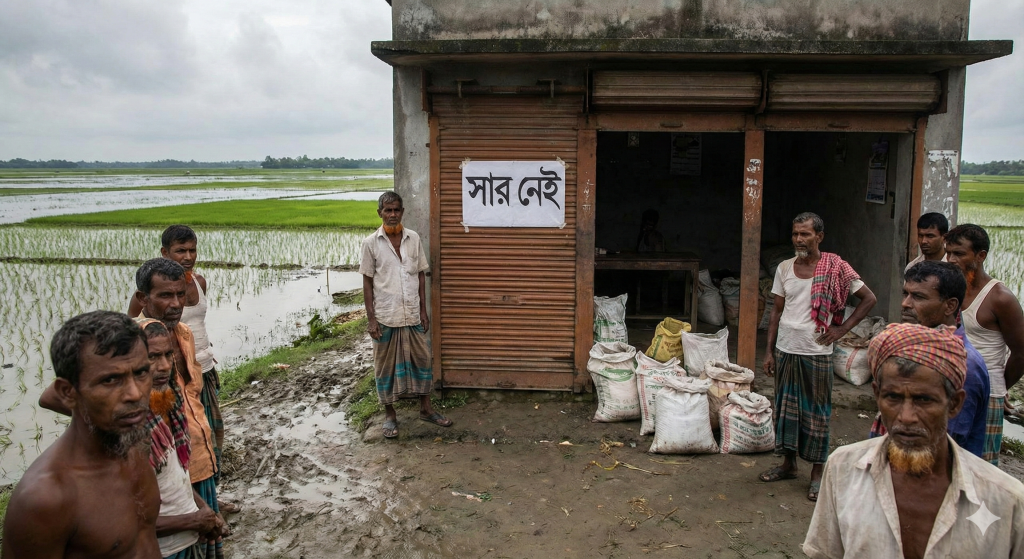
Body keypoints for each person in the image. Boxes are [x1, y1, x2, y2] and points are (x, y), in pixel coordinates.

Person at [803, 323, 1024, 559]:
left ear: (955, 404)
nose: (906, 417)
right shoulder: (842, 469)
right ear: (877, 395)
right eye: (893, 397)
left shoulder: (1007, 501)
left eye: (924, 400)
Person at [38, 318, 226, 558]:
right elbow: (128, 523)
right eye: (152, 358)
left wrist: (202, 510)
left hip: (182, 541)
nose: (164, 366)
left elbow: (175, 474)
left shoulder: (161, 414)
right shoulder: (122, 439)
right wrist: (194, 520)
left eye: (168, 355)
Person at [2, 311, 162, 558]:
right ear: (67, 392)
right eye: (110, 380)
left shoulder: (135, 449)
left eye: (141, 373)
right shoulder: (45, 499)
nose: (135, 393)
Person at [760, 212, 877, 501]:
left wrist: (841, 330)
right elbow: (775, 311)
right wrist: (769, 350)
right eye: (795, 233)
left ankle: (816, 472)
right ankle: (788, 464)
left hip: (816, 352)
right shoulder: (785, 268)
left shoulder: (836, 267)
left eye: (805, 234)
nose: (799, 239)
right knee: (785, 409)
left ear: (819, 237)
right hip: (787, 349)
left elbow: (869, 299)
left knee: (816, 412)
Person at [128, 225, 234, 513]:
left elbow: (196, 327)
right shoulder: (150, 295)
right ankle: (185, 502)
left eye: (192, 250)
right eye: (180, 251)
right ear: (165, 252)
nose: (188, 257)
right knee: (173, 440)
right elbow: (131, 328)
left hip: (199, 367)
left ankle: (208, 490)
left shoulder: (198, 283)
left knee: (208, 431)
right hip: (166, 376)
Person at [135, 257, 225, 558]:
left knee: (204, 538)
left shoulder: (185, 334)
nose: (175, 303)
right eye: (164, 296)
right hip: (160, 474)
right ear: (142, 299)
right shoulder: (133, 342)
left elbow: (191, 398)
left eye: (179, 295)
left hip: (195, 458)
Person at [869, 261, 990, 457]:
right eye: (905, 293)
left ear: (950, 305)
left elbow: (944, 443)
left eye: (918, 297)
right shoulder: (910, 348)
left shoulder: (961, 364)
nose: (905, 304)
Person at [360, 191, 451, 439]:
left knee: (422, 361)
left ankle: (426, 408)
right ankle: (390, 415)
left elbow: (420, 274)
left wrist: (423, 310)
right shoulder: (370, 243)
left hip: (411, 313)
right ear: (379, 213)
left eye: (396, 210)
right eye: (387, 210)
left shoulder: (413, 239)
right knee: (385, 367)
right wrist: (371, 319)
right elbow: (367, 282)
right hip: (385, 315)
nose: (392, 215)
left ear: (402, 212)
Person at [946, 223, 1024, 464]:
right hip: (951, 386)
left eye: (959, 253)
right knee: (948, 462)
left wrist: (995, 387)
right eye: (948, 252)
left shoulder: (999, 297)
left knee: (981, 466)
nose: (950, 259)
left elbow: (1021, 352)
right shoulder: (953, 289)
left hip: (986, 394)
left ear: (981, 256)